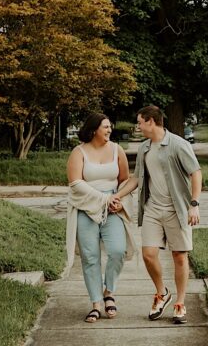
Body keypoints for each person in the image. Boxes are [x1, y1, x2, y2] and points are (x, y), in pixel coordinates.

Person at [111, 105, 201, 325]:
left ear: (151, 121)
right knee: (148, 254)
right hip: (152, 208)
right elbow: (137, 178)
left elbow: (196, 172)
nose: (138, 126)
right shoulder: (144, 148)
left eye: (140, 122)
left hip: (176, 209)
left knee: (179, 256)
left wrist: (194, 204)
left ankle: (180, 302)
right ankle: (162, 293)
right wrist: (117, 196)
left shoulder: (178, 145)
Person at [66, 112, 134, 323]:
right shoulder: (79, 153)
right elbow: (75, 184)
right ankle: (96, 303)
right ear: (94, 129)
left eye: (110, 127)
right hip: (86, 209)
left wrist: (118, 199)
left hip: (112, 209)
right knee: (90, 257)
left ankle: (109, 291)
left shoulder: (117, 150)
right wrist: (104, 199)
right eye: (105, 127)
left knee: (117, 251)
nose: (109, 130)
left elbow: (125, 180)